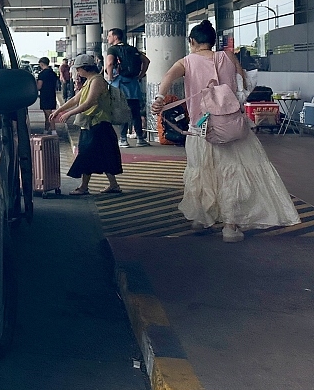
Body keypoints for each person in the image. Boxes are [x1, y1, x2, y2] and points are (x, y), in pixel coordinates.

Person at [151, 20, 299, 243]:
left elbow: (167, 77)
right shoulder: (228, 57)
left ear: (192, 41)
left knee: (201, 172)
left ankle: (201, 219)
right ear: (212, 42)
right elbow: (244, 84)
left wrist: (160, 99)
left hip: (201, 129)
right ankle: (230, 227)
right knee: (233, 174)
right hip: (232, 127)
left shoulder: (186, 62)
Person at [52, 54, 123, 195]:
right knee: (102, 154)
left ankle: (84, 187)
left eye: (78, 69)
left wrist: (69, 114)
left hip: (98, 124)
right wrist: (59, 110)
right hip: (92, 124)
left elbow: (89, 102)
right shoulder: (89, 81)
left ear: (85, 68)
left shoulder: (97, 81)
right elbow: (75, 99)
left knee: (86, 154)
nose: (77, 72)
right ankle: (112, 185)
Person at [105, 28, 150, 147]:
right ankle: (140, 138)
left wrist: (110, 77)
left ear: (115, 37)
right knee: (135, 111)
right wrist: (140, 74)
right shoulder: (132, 49)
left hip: (120, 84)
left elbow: (109, 63)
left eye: (109, 36)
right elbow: (146, 61)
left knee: (122, 110)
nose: (108, 38)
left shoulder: (113, 49)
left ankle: (123, 139)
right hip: (133, 84)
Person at [36, 57, 59, 132]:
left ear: (41, 64)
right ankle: (46, 129)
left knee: (48, 114)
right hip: (52, 94)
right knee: (47, 114)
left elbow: (39, 86)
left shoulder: (42, 74)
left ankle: (53, 130)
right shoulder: (53, 73)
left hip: (45, 95)